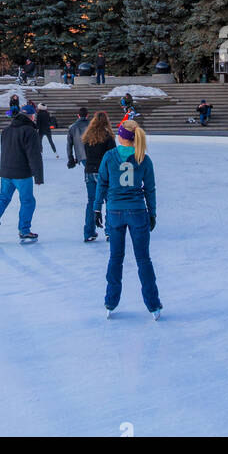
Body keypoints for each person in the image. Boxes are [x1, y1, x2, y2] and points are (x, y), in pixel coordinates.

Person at [95, 118, 161, 318]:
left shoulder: (109, 156)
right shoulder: (144, 158)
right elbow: (149, 189)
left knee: (115, 258)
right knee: (143, 260)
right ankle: (153, 305)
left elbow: (102, 184)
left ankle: (110, 302)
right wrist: (152, 213)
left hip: (115, 212)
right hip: (138, 212)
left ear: (121, 136)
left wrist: (97, 208)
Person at [0, 102, 43, 244]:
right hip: (22, 173)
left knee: (3, 199)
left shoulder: (6, 130)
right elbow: (34, 155)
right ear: (30, 116)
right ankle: (24, 230)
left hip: (6, 172)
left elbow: (5, 150)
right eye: (34, 116)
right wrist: (38, 175)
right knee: (28, 201)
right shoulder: (30, 131)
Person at [82, 110, 116, 242]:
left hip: (89, 171)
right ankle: (110, 231)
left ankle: (89, 232)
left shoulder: (87, 137)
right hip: (104, 172)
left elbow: (87, 154)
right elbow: (113, 155)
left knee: (92, 201)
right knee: (109, 200)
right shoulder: (108, 137)